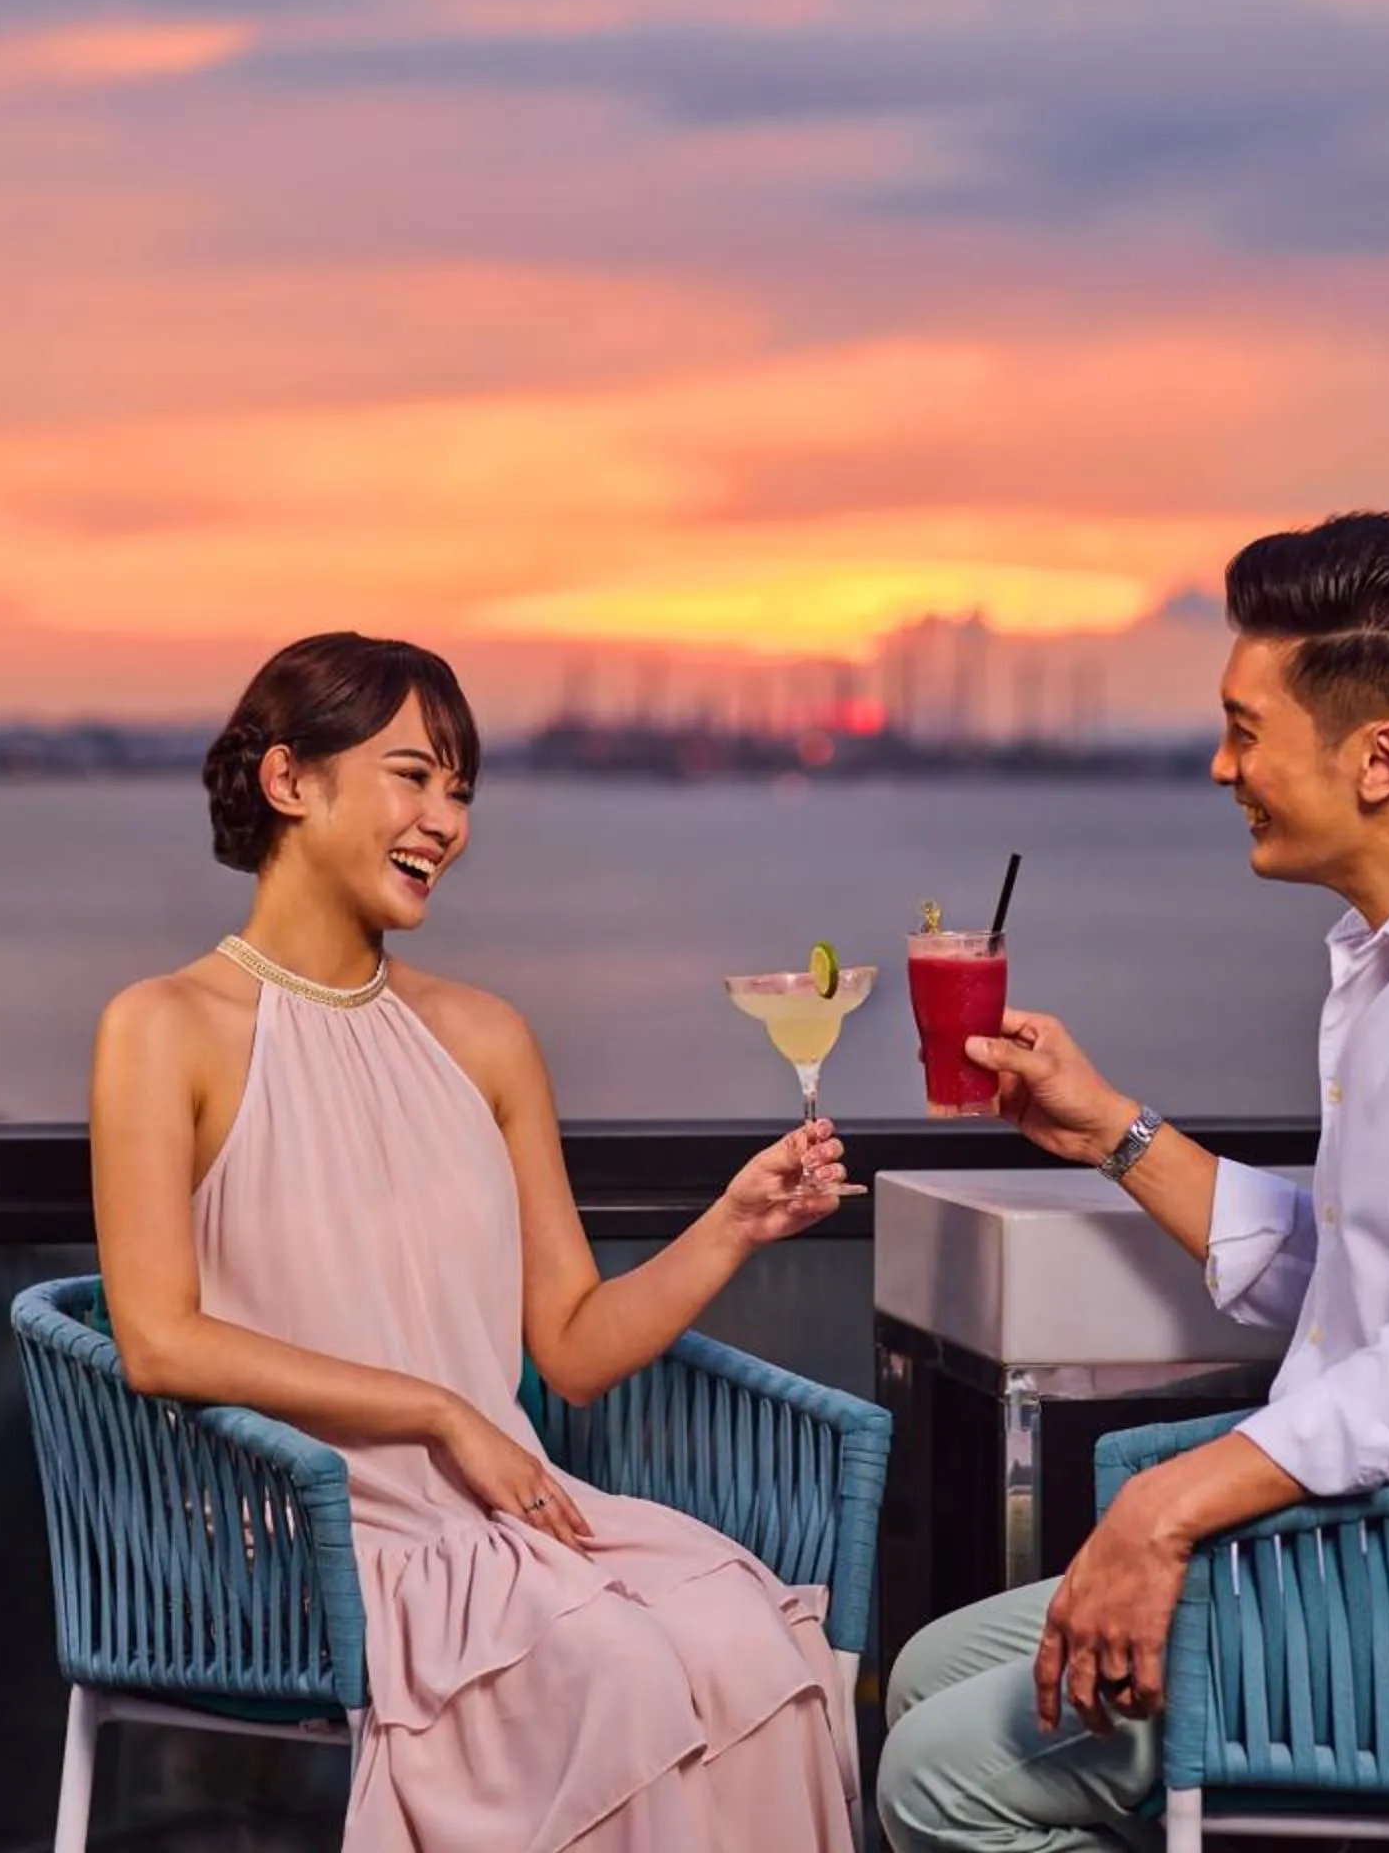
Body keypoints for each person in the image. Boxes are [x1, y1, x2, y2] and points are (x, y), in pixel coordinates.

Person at [876, 513, 1389, 1852]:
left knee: (936, 1777)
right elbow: (1358, 1281)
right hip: (1374, 1544)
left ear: (1381, 759)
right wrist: (1111, 1130)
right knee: (927, 1674)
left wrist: (1165, 1504)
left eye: (1246, 729)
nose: (1221, 763)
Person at [90, 631, 860, 1853]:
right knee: (614, 1666)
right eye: (412, 774)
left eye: (461, 789)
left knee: (746, 1644)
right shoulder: (163, 1028)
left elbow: (571, 1347)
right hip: (309, 1531)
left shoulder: (487, 1038)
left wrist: (735, 1222)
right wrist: (441, 1411)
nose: (445, 819)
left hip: (515, 1521)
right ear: (291, 781)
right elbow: (157, 1339)